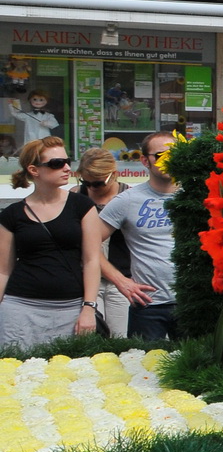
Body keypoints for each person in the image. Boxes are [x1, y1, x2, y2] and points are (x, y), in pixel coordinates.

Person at [0, 137, 102, 348]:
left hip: (71, 307)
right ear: (34, 170)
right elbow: (3, 270)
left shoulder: (82, 206)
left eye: (67, 161)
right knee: (17, 375)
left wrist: (89, 308)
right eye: (57, 163)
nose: (66, 168)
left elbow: (92, 260)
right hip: (20, 307)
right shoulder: (12, 214)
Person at [98, 131, 182, 341]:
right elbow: (87, 244)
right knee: (142, 369)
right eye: (160, 155)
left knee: (198, 370)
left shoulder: (197, 196)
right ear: (145, 160)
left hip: (191, 302)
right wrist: (120, 280)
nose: (168, 160)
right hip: (147, 304)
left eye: (174, 154)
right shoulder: (127, 200)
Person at [78, 148, 130, 336]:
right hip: (87, 279)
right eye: (86, 182)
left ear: (114, 175)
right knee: (89, 338)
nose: (92, 188)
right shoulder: (77, 196)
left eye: (98, 183)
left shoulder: (128, 197)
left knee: (120, 339)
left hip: (122, 278)